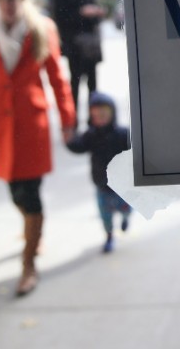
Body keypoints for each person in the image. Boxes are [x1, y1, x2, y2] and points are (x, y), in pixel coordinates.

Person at [0, 0, 76, 297]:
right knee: (15, 193)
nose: (7, 3)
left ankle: (28, 264)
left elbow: (57, 78)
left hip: (31, 124)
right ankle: (33, 231)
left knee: (30, 193)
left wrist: (68, 119)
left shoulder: (42, 29)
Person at [65, 91, 132, 253]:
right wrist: (69, 141)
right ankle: (109, 236)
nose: (100, 119)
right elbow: (80, 146)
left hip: (122, 187)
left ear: (112, 113)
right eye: (96, 116)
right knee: (105, 216)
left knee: (126, 208)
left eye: (104, 114)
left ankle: (125, 219)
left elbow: (134, 150)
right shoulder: (91, 135)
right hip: (101, 185)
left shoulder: (122, 134)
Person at [51, 0, 108, 118]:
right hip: (74, 45)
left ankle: (93, 120)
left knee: (92, 84)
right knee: (75, 85)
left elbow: (94, 18)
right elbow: (60, 17)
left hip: (89, 45)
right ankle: (73, 119)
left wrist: (95, 13)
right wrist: (82, 13)